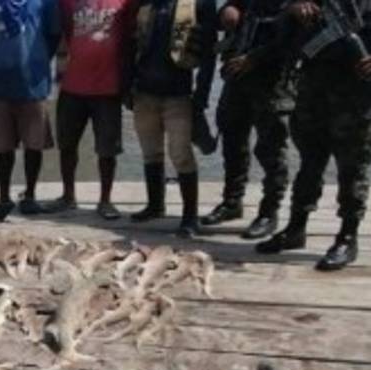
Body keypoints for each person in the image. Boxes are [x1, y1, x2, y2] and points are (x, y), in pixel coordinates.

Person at [256, 0, 371, 270]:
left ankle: (347, 238)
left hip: (359, 84)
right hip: (314, 82)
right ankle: (295, 228)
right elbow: (277, 14)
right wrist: (295, 7)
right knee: (309, 161)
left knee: (353, 166)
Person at [199, 0, 296, 239]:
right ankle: (232, 202)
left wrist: (253, 58)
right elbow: (229, 11)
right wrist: (227, 10)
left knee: (271, 151)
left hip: (273, 83)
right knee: (232, 142)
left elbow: (294, 40)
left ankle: (268, 213)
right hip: (238, 78)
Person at [128, 0, 217, 237]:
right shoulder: (144, 3)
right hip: (144, 91)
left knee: (181, 155)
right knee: (150, 152)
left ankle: (190, 218)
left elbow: (208, 55)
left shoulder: (199, 4)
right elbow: (130, 47)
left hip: (178, 94)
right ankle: (155, 205)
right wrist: (126, 88)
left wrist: (202, 96)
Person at [53, 0, 135, 219]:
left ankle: (105, 200)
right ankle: (68, 196)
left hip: (108, 88)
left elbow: (131, 36)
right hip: (72, 85)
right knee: (67, 144)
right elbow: (61, 32)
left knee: (107, 150)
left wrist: (128, 83)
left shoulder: (125, 2)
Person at [0, 0, 62, 220]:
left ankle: (30, 196)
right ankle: (3, 198)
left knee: (34, 144)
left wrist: (38, 58)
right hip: (0, 83)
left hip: (34, 83)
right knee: (2, 146)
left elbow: (54, 35)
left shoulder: (46, 2)